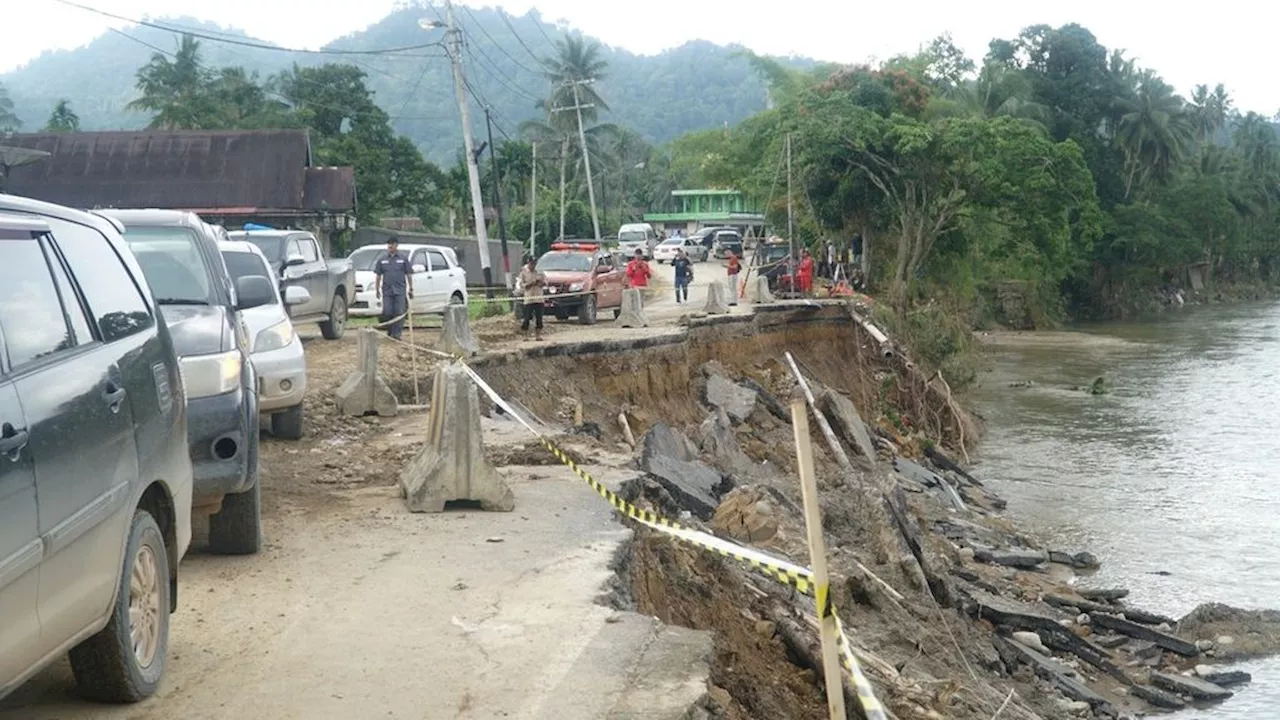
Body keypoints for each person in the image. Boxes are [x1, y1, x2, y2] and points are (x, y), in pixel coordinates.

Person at [374, 236, 413, 340]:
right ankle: (390, 330)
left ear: (396, 245)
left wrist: (411, 288)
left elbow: (409, 274)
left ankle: (397, 334)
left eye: (392, 244)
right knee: (388, 311)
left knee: (399, 312)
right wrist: (377, 289)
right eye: (388, 244)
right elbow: (378, 275)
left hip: (400, 290)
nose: (390, 246)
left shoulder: (403, 259)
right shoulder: (382, 259)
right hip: (387, 291)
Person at [518, 255, 547, 340]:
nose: (533, 265)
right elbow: (521, 285)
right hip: (529, 299)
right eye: (531, 263)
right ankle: (525, 335)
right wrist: (530, 283)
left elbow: (545, 282)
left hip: (539, 298)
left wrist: (541, 282)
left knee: (539, 318)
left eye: (534, 263)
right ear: (528, 263)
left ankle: (538, 335)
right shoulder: (524, 272)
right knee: (526, 318)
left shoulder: (540, 272)